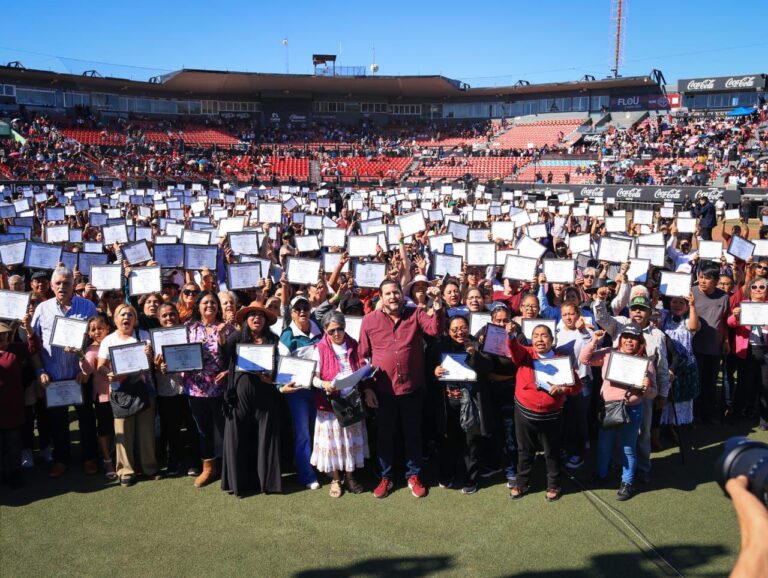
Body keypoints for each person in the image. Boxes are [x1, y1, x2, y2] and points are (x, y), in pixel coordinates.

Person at [358, 279, 445, 499]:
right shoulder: (369, 321)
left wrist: (438, 304)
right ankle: (386, 477)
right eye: (388, 293)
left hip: (412, 389)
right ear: (381, 297)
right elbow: (362, 358)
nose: (393, 297)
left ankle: (413, 475)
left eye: (396, 292)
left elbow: (435, 329)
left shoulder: (415, 314)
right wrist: (367, 388)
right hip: (382, 390)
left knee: (413, 434)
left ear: (401, 294)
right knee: (385, 436)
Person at [593, 293, 670, 484]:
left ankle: (643, 468)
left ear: (649, 313)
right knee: (616, 431)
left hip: (642, 392)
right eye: (634, 308)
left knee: (643, 432)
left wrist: (662, 393)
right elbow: (601, 318)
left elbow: (662, 367)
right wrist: (600, 301)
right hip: (616, 390)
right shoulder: (619, 325)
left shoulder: (658, 335)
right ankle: (617, 465)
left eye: (642, 309)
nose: (637, 312)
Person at [31, 266, 99, 478]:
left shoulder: (87, 306)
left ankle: (89, 458)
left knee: (87, 420)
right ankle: (61, 460)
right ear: (51, 286)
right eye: (58, 283)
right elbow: (34, 343)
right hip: (54, 377)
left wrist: (87, 368)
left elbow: (95, 340)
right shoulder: (42, 309)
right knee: (58, 423)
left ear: (73, 284)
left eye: (66, 283)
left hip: (80, 375)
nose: (62, 287)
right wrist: (40, 371)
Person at [581, 324, 657, 500]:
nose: (630, 341)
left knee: (628, 447)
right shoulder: (609, 353)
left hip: (632, 409)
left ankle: (627, 482)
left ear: (640, 341)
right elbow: (585, 359)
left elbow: (653, 392)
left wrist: (646, 388)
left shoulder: (646, 362)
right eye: (626, 337)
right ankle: (601, 475)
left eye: (634, 338)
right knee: (603, 446)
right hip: (608, 408)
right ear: (621, 338)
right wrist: (594, 342)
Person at [508, 324, 582, 501]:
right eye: (536, 336)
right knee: (524, 450)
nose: (540, 339)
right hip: (524, 413)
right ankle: (522, 482)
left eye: (544, 336)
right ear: (531, 339)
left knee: (552, 451)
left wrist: (564, 389)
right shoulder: (525, 353)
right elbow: (513, 348)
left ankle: (554, 485)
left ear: (552, 340)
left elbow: (578, 386)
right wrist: (510, 336)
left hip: (552, 416)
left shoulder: (561, 360)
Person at [219, 301, 282, 497]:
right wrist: (221, 340)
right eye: (252, 315)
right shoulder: (236, 338)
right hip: (239, 395)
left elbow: (277, 367)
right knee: (239, 435)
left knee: (266, 436)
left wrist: (270, 378)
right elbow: (224, 357)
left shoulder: (273, 339)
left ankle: (266, 482)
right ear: (246, 319)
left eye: (261, 315)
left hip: (265, 394)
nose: (257, 318)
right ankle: (241, 483)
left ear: (266, 320)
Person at [308, 311, 369, 498]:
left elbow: (362, 366)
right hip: (330, 405)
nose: (337, 334)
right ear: (325, 330)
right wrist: (324, 384)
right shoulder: (319, 348)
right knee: (333, 443)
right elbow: (313, 377)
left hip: (351, 401)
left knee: (350, 442)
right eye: (332, 330)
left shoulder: (353, 344)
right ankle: (335, 478)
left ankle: (350, 476)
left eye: (340, 329)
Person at [97, 304, 159, 486]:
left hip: (144, 389)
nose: (126, 318)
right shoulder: (108, 340)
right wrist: (109, 375)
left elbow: (155, 363)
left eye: (130, 314)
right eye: (122, 314)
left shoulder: (145, 336)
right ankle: (126, 471)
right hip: (120, 390)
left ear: (135, 319)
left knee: (146, 430)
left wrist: (150, 355)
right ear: (115, 320)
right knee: (123, 432)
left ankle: (149, 467)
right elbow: (101, 365)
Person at [427, 315, 488, 495]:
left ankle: (471, 479)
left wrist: (474, 353)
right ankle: (447, 475)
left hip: (471, 401)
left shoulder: (476, 343)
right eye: (455, 329)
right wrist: (434, 371)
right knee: (448, 440)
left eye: (463, 328)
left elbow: (487, 368)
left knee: (471, 442)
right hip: (448, 402)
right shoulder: (440, 345)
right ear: (448, 330)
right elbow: (428, 368)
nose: (459, 332)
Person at [184, 290, 235, 487]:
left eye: (213, 303)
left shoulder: (227, 328)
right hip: (195, 387)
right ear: (198, 306)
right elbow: (180, 354)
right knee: (203, 429)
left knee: (223, 429)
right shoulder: (189, 328)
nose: (210, 306)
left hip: (219, 388)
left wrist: (228, 372)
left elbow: (234, 357)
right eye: (205, 302)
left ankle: (227, 467)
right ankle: (208, 468)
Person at [278, 295, 323, 490]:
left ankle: (322, 466)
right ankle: (306, 475)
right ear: (292, 313)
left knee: (320, 430)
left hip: (319, 388)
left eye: (306, 307)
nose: (302, 311)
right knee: (303, 433)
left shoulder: (318, 328)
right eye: (298, 309)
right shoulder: (287, 335)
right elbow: (280, 366)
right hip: (298, 391)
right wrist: (281, 387)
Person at [75, 315, 117, 480]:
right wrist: (80, 356)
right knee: (105, 429)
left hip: (121, 394)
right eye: (93, 329)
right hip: (103, 397)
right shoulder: (91, 351)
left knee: (120, 429)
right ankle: (107, 460)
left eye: (100, 327)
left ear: (108, 327)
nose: (97, 331)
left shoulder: (116, 341)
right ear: (89, 334)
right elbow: (85, 377)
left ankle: (122, 459)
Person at [0, 320, 38, 489]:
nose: (1, 338)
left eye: (3, 335)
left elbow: (33, 347)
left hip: (13, 404)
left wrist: (28, 329)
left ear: (8, 336)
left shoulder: (15, 349)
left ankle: (16, 473)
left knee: (14, 442)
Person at [692, 263, 730, 424]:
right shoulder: (691, 293)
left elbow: (725, 322)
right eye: (700, 277)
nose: (702, 281)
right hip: (694, 347)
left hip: (714, 348)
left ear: (715, 280)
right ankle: (692, 414)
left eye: (707, 278)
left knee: (710, 383)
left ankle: (707, 414)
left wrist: (726, 340)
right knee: (695, 382)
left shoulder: (724, 297)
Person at [728, 279, 768, 430]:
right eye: (755, 287)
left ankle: (765, 419)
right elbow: (730, 323)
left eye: (762, 287)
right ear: (750, 290)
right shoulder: (743, 305)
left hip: (765, 349)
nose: (758, 290)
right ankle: (736, 415)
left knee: (766, 386)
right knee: (743, 385)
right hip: (748, 350)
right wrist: (736, 316)